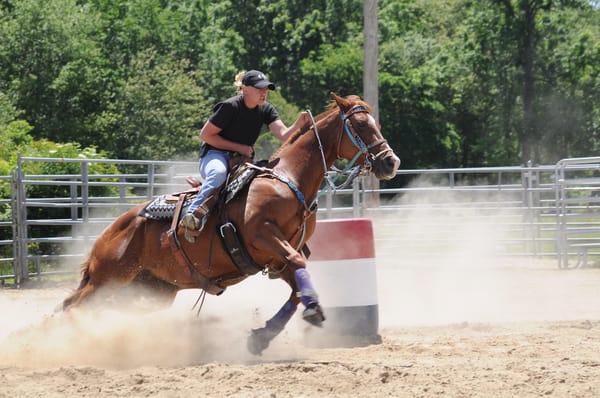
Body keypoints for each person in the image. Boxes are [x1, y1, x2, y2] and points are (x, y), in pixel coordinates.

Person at [181, 69, 309, 232]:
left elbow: (284, 135)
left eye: (265, 89)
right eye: (259, 89)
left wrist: (298, 125)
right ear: (245, 89)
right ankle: (192, 214)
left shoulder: (266, 109)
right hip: (215, 155)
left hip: (242, 160)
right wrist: (239, 148)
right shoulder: (230, 106)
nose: (264, 93)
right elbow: (205, 135)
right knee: (219, 173)